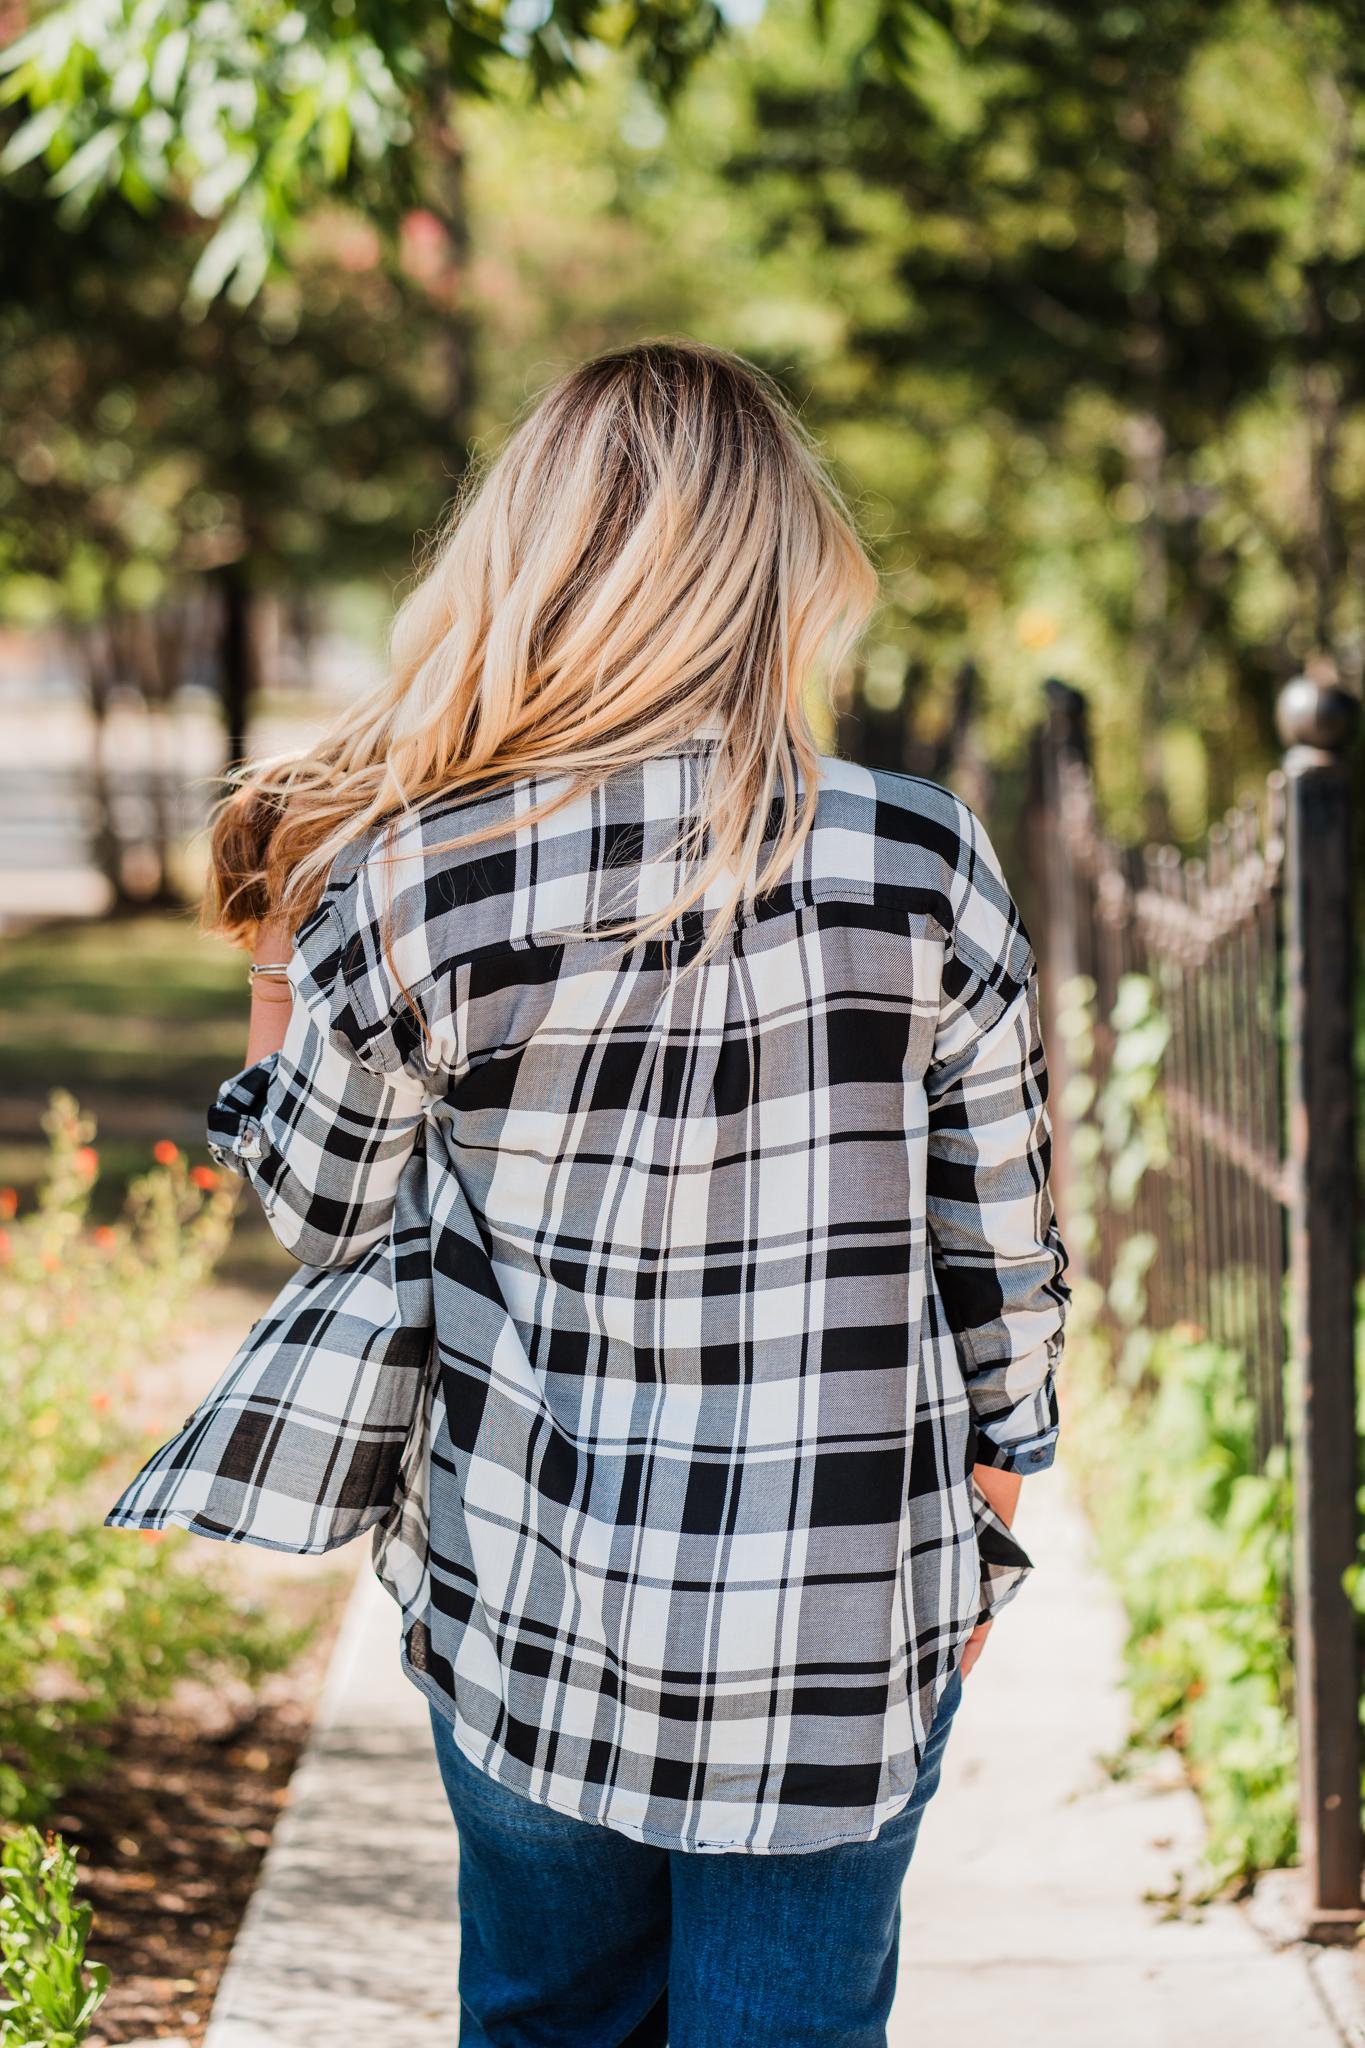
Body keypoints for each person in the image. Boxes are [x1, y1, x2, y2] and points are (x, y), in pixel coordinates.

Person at [198, 341, 1068, 2047]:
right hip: (836, 1610)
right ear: (781, 573)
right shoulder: (921, 860)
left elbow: (317, 1207)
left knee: (548, 2021)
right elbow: (1005, 1259)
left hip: (529, 1585)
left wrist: (282, 968)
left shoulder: (417, 876)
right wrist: (990, 1509)